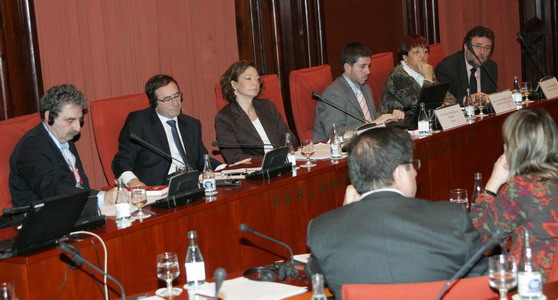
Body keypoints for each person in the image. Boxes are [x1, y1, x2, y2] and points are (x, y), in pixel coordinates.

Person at [306, 127, 487, 298]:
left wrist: (345, 215)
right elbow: (483, 282)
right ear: (399, 172)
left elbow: (316, 275)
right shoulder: (451, 218)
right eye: (413, 165)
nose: (415, 173)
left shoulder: (323, 230)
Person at [470, 108, 558, 280]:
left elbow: (478, 238)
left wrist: (492, 185)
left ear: (514, 148)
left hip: (534, 287)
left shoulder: (522, 188)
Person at [10, 84, 115, 207]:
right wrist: (101, 198)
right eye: (70, 120)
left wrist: (101, 198)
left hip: (72, 211)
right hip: (42, 219)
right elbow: (54, 192)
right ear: (49, 117)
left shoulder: (63, 136)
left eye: (79, 120)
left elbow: (80, 185)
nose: (77, 128)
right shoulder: (31, 148)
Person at [112, 74, 222, 187]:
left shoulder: (192, 124)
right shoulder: (140, 122)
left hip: (192, 183)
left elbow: (202, 159)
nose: (175, 103)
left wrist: (226, 169)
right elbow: (122, 159)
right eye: (167, 99)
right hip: (159, 187)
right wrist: (132, 181)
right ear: (154, 103)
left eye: (177, 96)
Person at [312, 42, 404, 142]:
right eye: (362, 66)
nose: (368, 71)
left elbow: (369, 119)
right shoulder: (333, 94)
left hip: (368, 144)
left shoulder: (365, 88)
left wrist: (389, 116)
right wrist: (374, 124)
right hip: (340, 152)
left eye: (369, 66)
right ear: (348, 67)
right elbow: (336, 133)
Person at [215, 60, 298, 164]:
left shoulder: (268, 106)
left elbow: (290, 139)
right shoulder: (225, 118)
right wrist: (267, 161)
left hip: (283, 162)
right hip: (256, 171)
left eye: (257, 79)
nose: (255, 83)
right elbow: (235, 157)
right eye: (248, 78)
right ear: (234, 84)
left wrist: (280, 156)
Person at [379, 35, 455, 116]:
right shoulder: (397, 77)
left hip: (427, 119)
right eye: (416, 52)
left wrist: (444, 106)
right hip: (400, 123)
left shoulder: (427, 70)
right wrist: (428, 79)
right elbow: (418, 108)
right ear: (405, 57)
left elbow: (449, 97)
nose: (423, 55)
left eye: (425, 51)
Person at [435, 26, 498, 104]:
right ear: (466, 47)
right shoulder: (447, 68)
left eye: (487, 48)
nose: (482, 52)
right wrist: (468, 99)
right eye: (478, 46)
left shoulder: (491, 67)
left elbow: (491, 97)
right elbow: (444, 102)